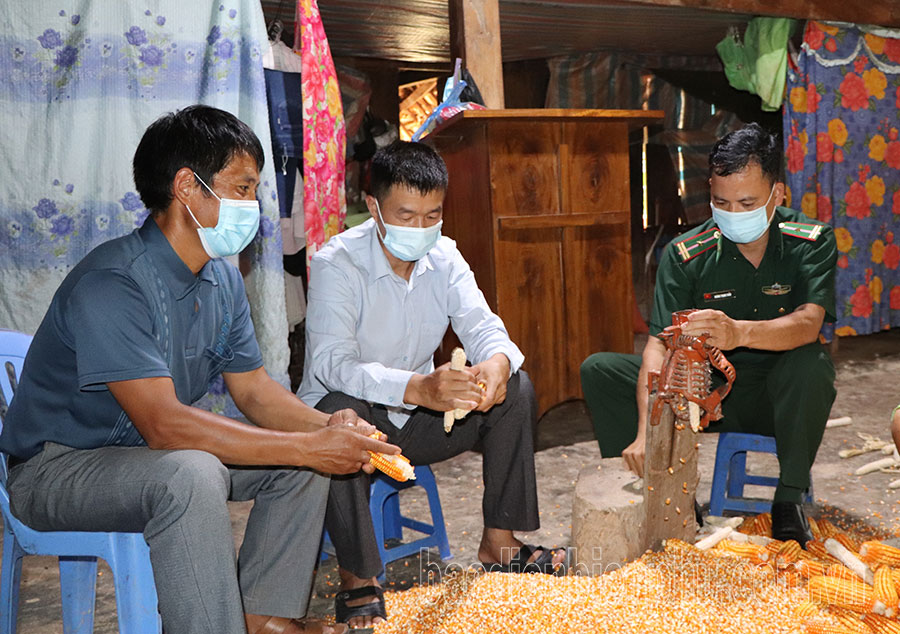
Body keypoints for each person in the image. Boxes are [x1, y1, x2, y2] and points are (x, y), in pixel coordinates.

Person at [0, 105, 399, 634]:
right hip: (56, 471)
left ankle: (262, 618)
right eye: (241, 187)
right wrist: (308, 443)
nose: (251, 205)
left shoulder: (223, 280)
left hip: (145, 457)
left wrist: (328, 430)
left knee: (305, 463)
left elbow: (254, 390)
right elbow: (165, 426)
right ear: (188, 187)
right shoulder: (112, 283)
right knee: (192, 471)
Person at [298, 140, 565, 629]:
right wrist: (418, 387)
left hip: (416, 425)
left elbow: (483, 325)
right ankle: (359, 576)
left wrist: (498, 366)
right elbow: (331, 364)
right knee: (339, 407)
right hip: (355, 425)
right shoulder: (338, 263)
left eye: (431, 215)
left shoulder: (445, 257)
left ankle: (498, 542)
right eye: (406, 215)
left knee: (519, 389)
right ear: (374, 208)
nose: (420, 229)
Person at [581, 123, 837, 546]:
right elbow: (658, 345)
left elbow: (809, 324)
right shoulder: (688, 254)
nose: (733, 214)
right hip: (702, 393)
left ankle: (788, 501)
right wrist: (646, 430)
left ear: (778, 195)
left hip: (776, 397)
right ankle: (663, 494)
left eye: (747, 202)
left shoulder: (810, 242)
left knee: (812, 364)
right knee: (602, 371)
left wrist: (737, 333)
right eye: (722, 202)